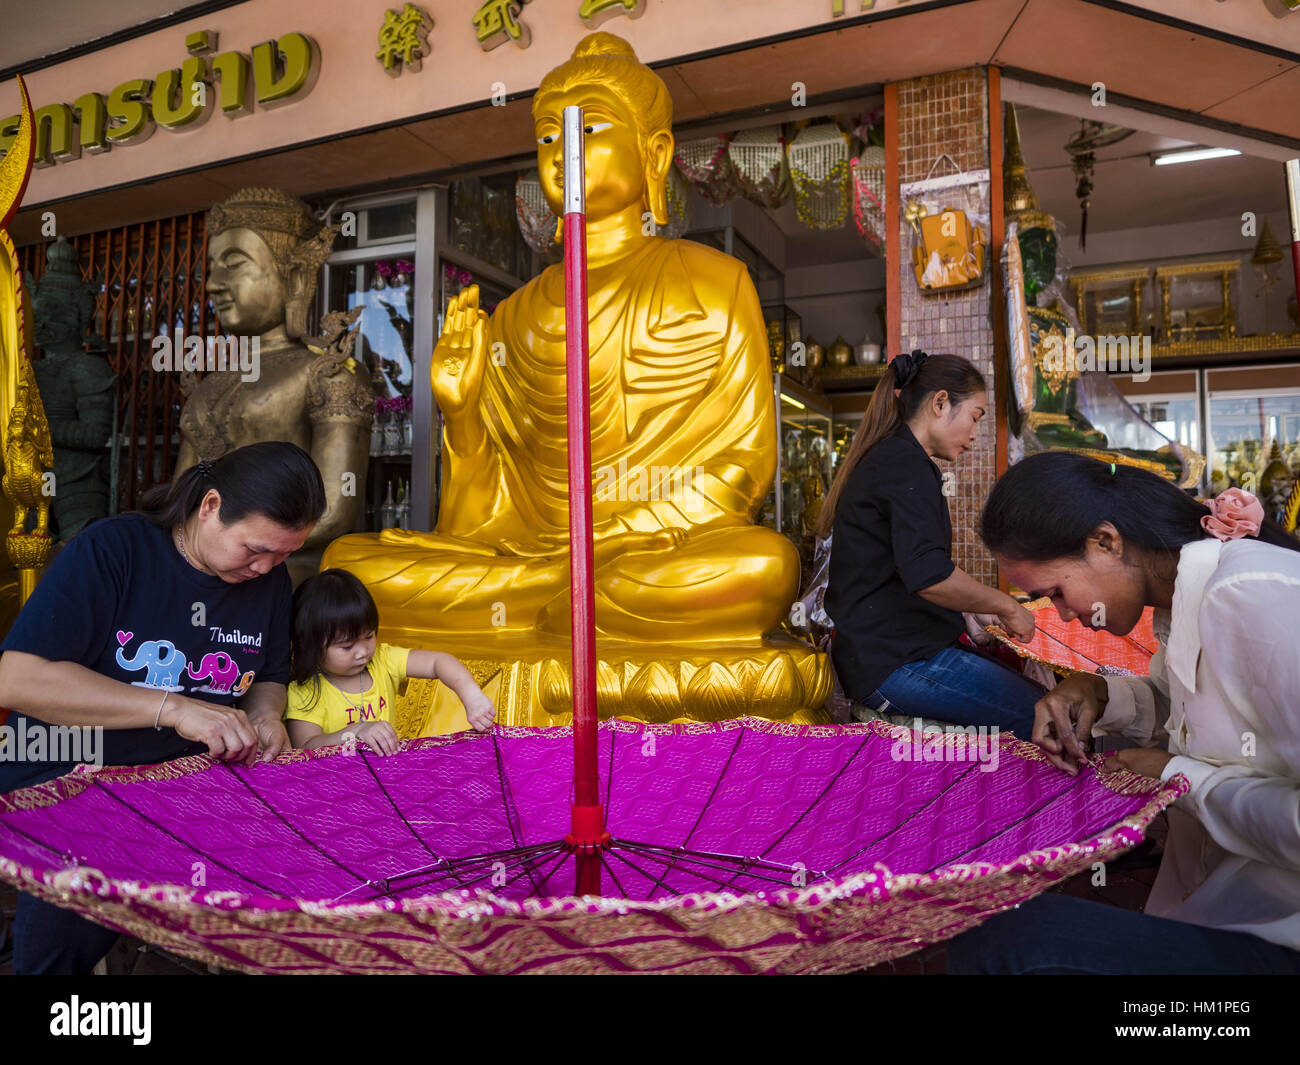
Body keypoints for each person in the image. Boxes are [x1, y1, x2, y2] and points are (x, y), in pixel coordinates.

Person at [948, 451, 1300, 974]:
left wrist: (1178, 777)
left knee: (1006, 945)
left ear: (1106, 542)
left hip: (1281, 930)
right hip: (1226, 908)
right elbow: (1193, 709)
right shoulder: (1185, 598)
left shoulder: (1249, 597)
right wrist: (1096, 692)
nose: (1064, 615)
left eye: (1058, 593)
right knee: (994, 929)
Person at [0, 441, 325, 974]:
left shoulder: (268, 581)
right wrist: (173, 708)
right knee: (67, 928)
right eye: (254, 549)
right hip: (71, 771)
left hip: (185, 781)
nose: (267, 566)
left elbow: (267, 675)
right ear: (211, 506)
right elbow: (16, 679)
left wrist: (267, 718)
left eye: (285, 554)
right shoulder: (114, 550)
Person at [819, 350, 1042, 736]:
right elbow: (929, 576)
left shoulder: (897, 458)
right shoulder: (903, 463)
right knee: (1043, 713)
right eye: (974, 417)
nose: (974, 436)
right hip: (892, 665)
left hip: (889, 654)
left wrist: (972, 613)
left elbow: (907, 572)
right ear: (940, 403)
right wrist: (1005, 605)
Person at [285, 569, 496, 754]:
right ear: (310, 646)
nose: (363, 652)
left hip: (385, 779)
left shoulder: (382, 660)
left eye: (369, 637)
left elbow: (438, 661)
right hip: (333, 786)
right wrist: (357, 731)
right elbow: (306, 747)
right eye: (347, 646)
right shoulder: (304, 690)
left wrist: (472, 695)